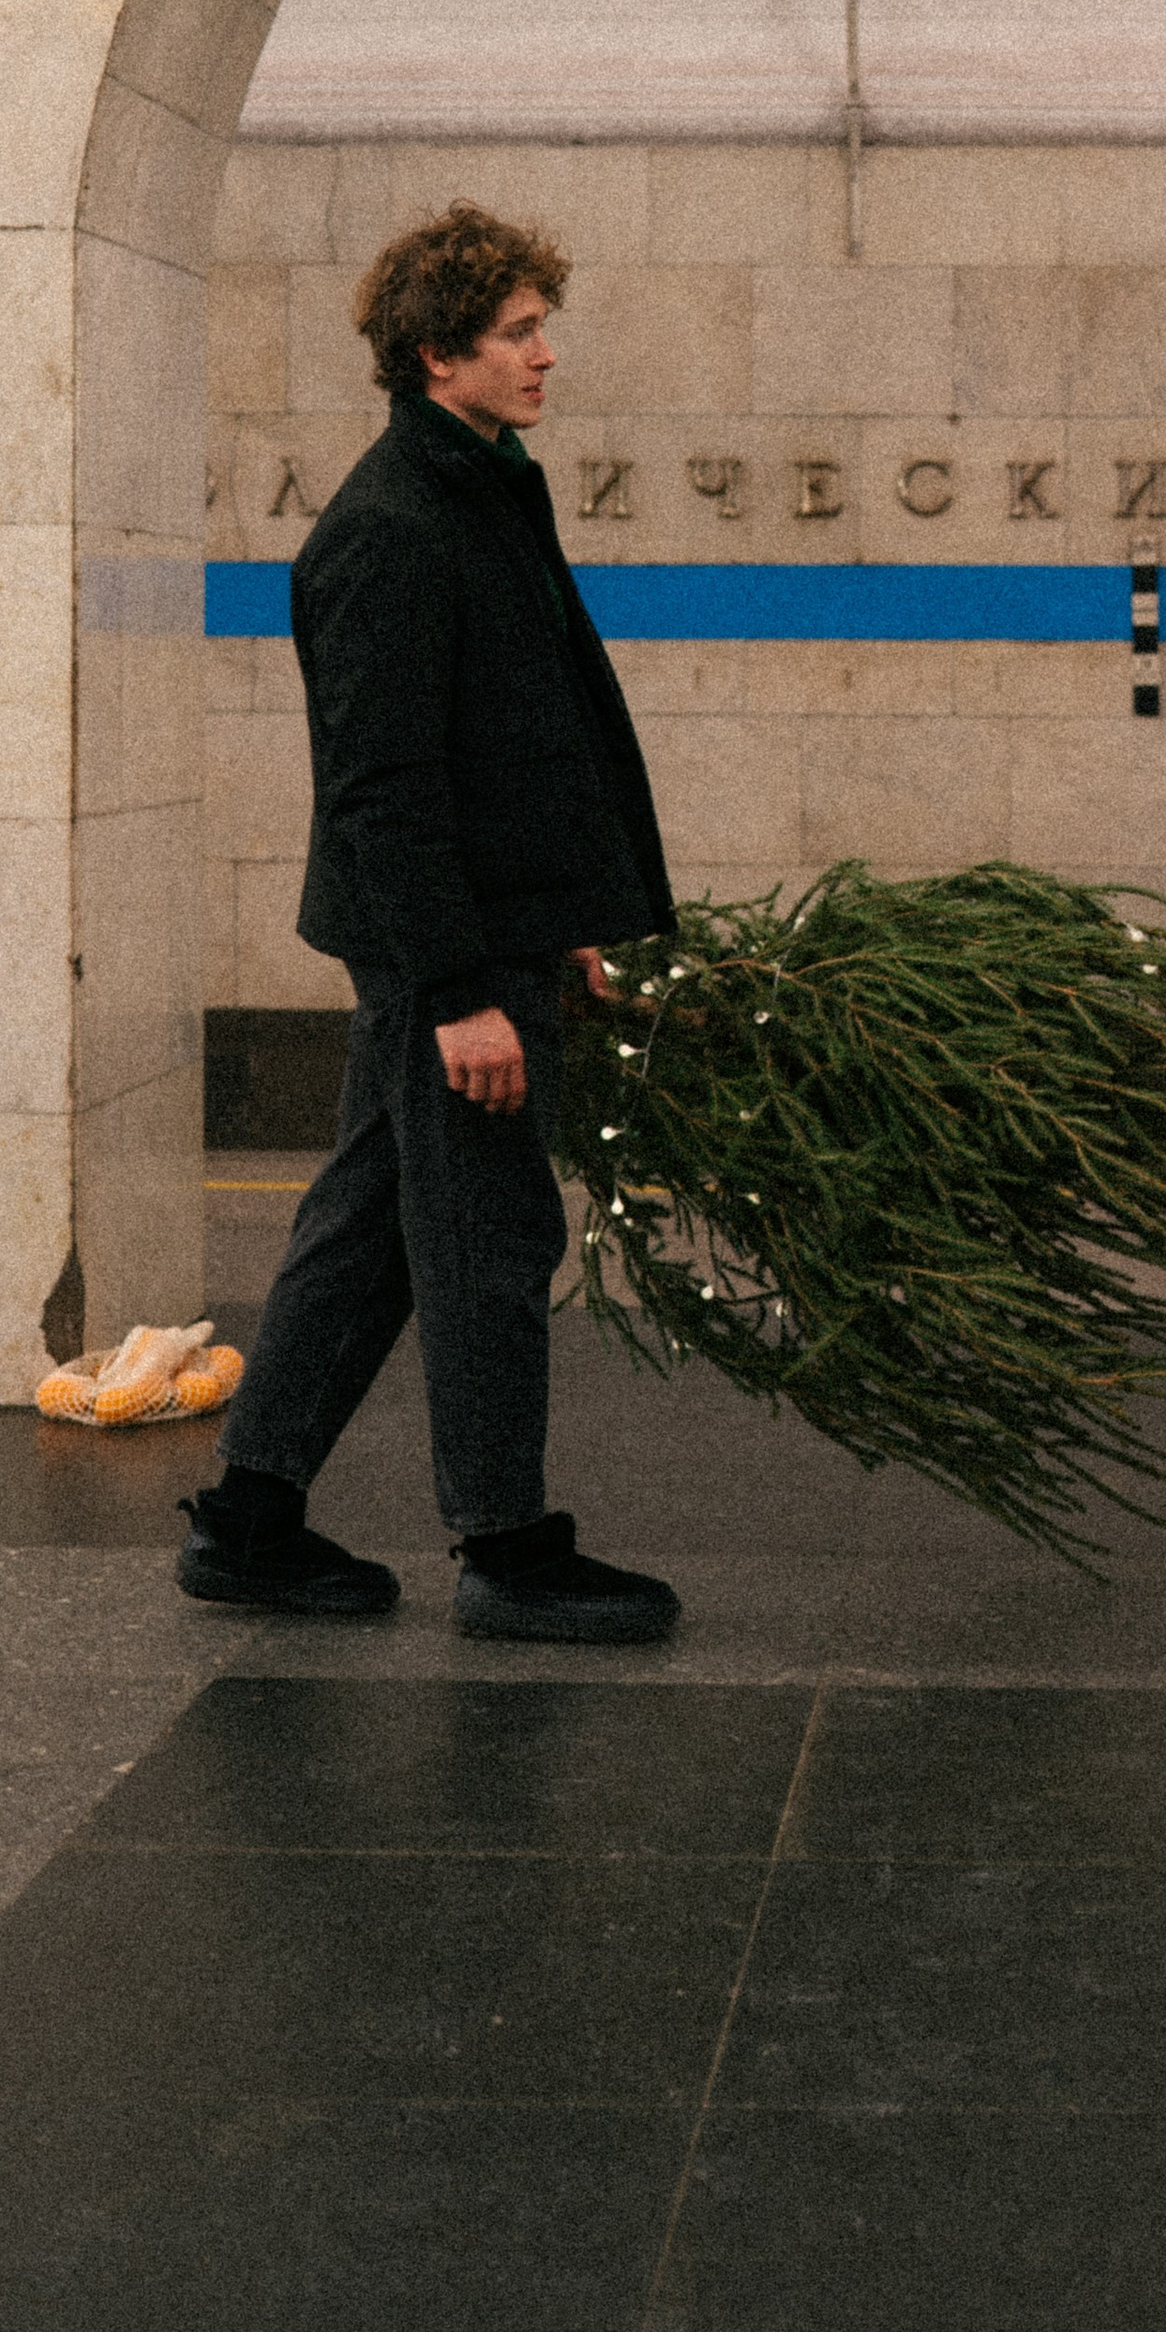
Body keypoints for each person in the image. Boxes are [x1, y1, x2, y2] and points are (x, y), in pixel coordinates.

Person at [179, 204, 683, 1643]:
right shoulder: (391, 532)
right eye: (518, 332)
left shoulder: (477, 486)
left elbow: (521, 740)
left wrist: (560, 919)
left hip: (486, 932)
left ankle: (248, 1520)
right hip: (440, 954)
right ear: (433, 353)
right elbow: (386, 792)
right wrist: (463, 985)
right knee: (485, 1238)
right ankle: (505, 1547)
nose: (545, 355)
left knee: (371, 1233)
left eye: (541, 326)